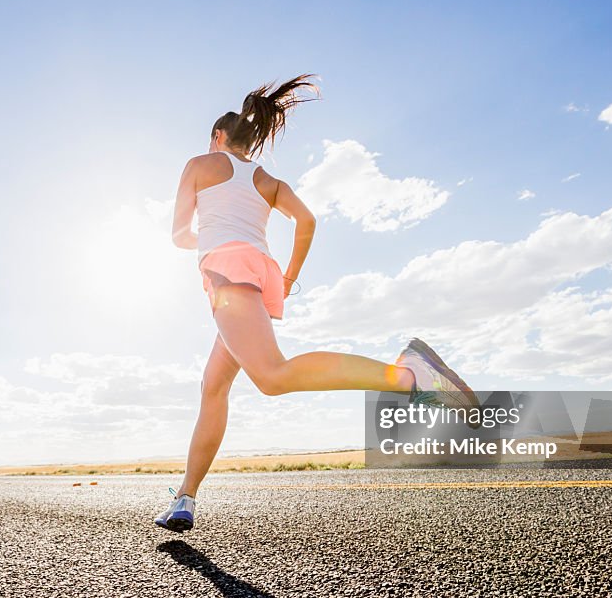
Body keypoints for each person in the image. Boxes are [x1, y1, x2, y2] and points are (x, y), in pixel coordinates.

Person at [155, 74, 479, 532]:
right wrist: (288, 278)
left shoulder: (200, 163)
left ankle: (409, 375)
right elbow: (305, 220)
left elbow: (177, 234)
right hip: (259, 273)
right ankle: (184, 497)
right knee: (214, 387)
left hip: (228, 274)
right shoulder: (267, 179)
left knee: (270, 377)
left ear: (218, 137)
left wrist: (206, 237)